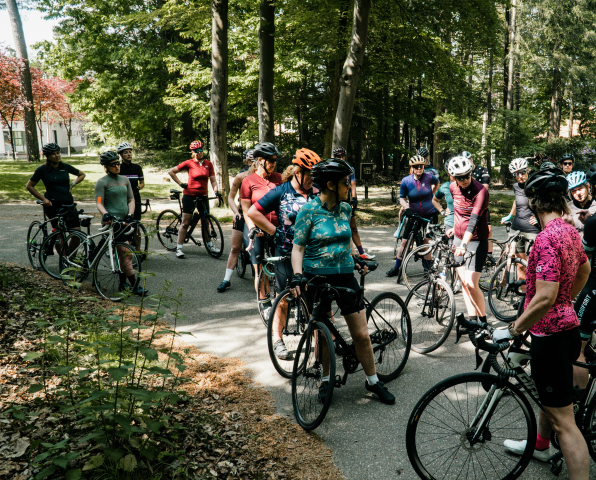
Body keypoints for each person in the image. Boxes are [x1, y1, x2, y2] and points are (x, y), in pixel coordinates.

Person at [493, 167, 590, 477]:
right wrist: (566, 298)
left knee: (565, 422)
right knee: (550, 398)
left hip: (552, 335)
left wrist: (513, 328)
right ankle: (540, 446)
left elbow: (545, 297)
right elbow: (585, 271)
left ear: (535, 204)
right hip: (567, 327)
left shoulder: (546, 239)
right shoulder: (571, 231)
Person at [291, 158, 395, 405]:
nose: (349, 187)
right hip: (317, 276)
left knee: (361, 334)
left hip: (345, 274)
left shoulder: (346, 209)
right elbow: (298, 249)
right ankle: (326, 380)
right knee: (324, 334)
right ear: (330, 184)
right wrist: (297, 276)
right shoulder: (308, 211)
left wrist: (357, 257)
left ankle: (373, 381)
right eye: (344, 183)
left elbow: (346, 238)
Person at [247, 148, 321, 358]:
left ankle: (323, 343)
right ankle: (278, 340)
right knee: (284, 298)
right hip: (286, 253)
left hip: (311, 255)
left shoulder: (316, 192)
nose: (312, 180)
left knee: (314, 299)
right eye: (309, 175)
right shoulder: (283, 191)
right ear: (298, 172)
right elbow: (253, 212)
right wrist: (275, 232)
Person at [95, 151, 147, 296]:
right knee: (126, 252)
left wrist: (130, 215)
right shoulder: (102, 182)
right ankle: (134, 285)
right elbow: (99, 202)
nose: (117, 166)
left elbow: (131, 199)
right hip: (113, 221)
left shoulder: (125, 179)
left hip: (126, 221)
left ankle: (123, 284)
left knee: (125, 255)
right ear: (106, 166)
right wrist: (105, 213)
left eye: (118, 163)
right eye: (113, 164)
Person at [448, 155, 489, 323]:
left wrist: (464, 245)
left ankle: (483, 322)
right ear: (453, 177)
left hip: (476, 241)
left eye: (467, 175)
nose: (464, 180)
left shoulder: (481, 191)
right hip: (458, 239)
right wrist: (454, 227)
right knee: (464, 282)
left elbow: (473, 221)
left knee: (472, 284)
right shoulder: (452, 188)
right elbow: (457, 211)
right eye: (460, 177)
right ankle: (472, 321)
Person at [240, 142, 283, 304]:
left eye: (275, 160)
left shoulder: (279, 178)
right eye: (270, 160)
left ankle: (282, 300)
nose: (273, 163)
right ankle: (264, 302)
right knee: (259, 268)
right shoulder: (248, 180)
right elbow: (246, 209)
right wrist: (252, 228)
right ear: (259, 160)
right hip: (255, 228)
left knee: (282, 266)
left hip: (276, 228)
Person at [26, 143, 86, 252]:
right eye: (53, 154)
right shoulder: (42, 169)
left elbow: (82, 174)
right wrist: (43, 199)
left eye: (58, 153)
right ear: (47, 156)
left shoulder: (65, 167)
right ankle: (64, 262)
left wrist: (72, 184)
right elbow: (29, 186)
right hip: (52, 205)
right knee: (59, 234)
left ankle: (71, 258)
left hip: (68, 204)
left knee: (76, 233)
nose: (57, 155)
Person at [168, 141, 222, 259]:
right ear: (192, 152)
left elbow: (212, 180)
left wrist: (216, 191)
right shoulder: (189, 163)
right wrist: (181, 184)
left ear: (203, 150)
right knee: (185, 222)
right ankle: (179, 248)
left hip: (203, 196)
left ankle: (210, 245)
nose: (199, 153)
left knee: (205, 221)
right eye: (196, 151)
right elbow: (171, 172)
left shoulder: (208, 164)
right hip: (189, 195)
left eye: (200, 150)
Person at [387, 154, 439, 277]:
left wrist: (433, 195)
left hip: (430, 213)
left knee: (427, 241)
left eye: (421, 166)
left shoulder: (429, 177)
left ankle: (427, 269)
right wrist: (407, 208)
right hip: (414, 213)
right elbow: (402, 199)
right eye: (416, 167)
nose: (419, 169)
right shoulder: (406, 181)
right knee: (405, 242)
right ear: (412, 168)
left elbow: (437, 183)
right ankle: (396, 267)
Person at [217, 149, 255, 292]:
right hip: (241, 214)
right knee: (235, 248)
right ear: (249, 161)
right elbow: (231, 197)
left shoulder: (266, 178)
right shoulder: (241, 176)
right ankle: (226, 279)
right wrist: (235, 212)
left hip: (258, 215)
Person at [500, 158, 540, 287]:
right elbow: (516, 201)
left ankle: (533, 295)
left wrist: (539, 217)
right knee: (519, 264)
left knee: (533, 265)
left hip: (533, 229)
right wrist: (510, 215)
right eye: (516, 174)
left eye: (522, 172)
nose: (520, 176)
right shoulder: (515, 187)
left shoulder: (536, 184)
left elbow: (544, 203)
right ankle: (523, 297)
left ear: (527, 170)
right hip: (517, 227)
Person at [333, 146, 375, 260]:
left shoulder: (349, 168)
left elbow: (353, 183)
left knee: (353, 227)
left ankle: (361, 252)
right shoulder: (332, 169)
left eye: (342, 156)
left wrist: (354, 198)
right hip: (335, 201)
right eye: (338, 156)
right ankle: (345, 253)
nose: (340, 158)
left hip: (346, 200)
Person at [462, 150, 495, 264]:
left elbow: (484, 188)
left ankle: (489, 254)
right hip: (468, 205)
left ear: (471, 160)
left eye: (468, 161)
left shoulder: (482, 170)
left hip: (482, 204)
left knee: (488, 229)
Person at [117, 142, 145, 252]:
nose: (129, 154)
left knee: (136, 224)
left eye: (130, 152)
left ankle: (137, 250)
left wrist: (138, 188)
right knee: (125, 224)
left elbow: (142, 183)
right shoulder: (119, 168)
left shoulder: (137, 168)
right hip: (123, 199)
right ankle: (125, 248)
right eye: (125, 153)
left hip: (136, 198)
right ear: (121, 155)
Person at [432, 160, 455, 231]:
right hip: (450, 223)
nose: (454, 175)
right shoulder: (445, 186)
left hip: (465, 224)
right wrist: (442, 211)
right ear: (448, 173)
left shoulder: (467, 186)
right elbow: (434, 200)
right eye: (451, 173)